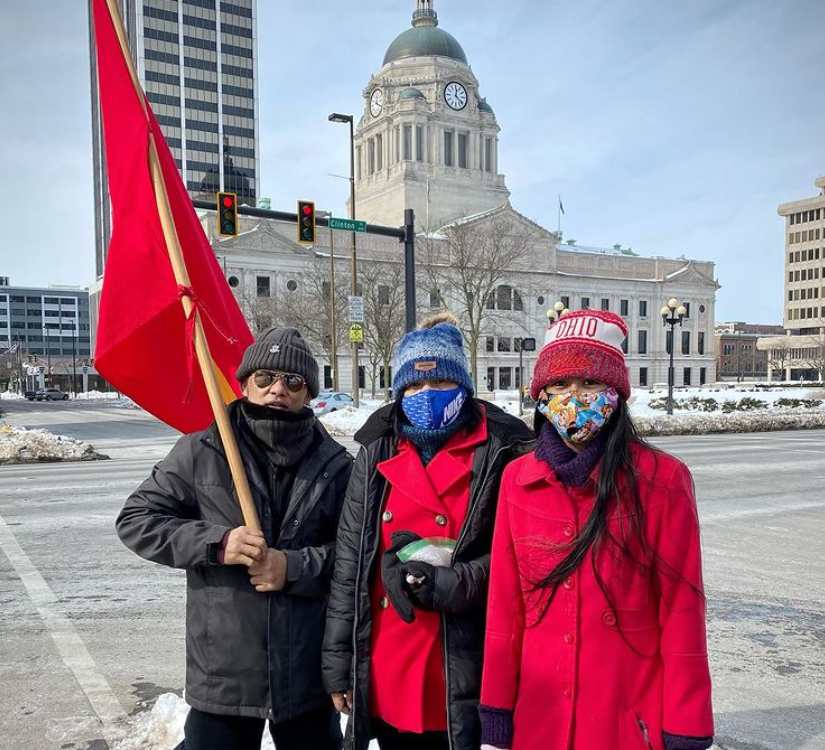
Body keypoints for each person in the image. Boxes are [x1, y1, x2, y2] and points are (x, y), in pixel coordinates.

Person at [478, 309, 714, 750]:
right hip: (539, 722)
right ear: (541, 394)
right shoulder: (516, 479)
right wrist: (495, 716)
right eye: (561, 385)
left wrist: (686, 730)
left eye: (590, 384)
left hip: (626, 722)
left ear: (616, 392)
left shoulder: (662, 480)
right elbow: (505, 610)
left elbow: (682, 610)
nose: (574, 396)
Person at [116, 327, 353, 750]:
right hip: (222, 676)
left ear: (309, 393)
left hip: (305, 676)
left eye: (292, 381)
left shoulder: (336, 465)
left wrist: (292, 568)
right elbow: (137, 520)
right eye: (264, 377)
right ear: (244, 384)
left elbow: (355, 557)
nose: (277, 389)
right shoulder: (202, 451)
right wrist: (216, 544)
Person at [322, 313, 534, 750]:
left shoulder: (505, 451)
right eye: (414, 387)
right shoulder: (377, 448)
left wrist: (458, 582)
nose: (426, 395)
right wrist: (340, 663)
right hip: (387, 656)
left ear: (463, 387)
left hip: (462, 660)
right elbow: (350, 565)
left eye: (440, 383)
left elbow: (525, 557)